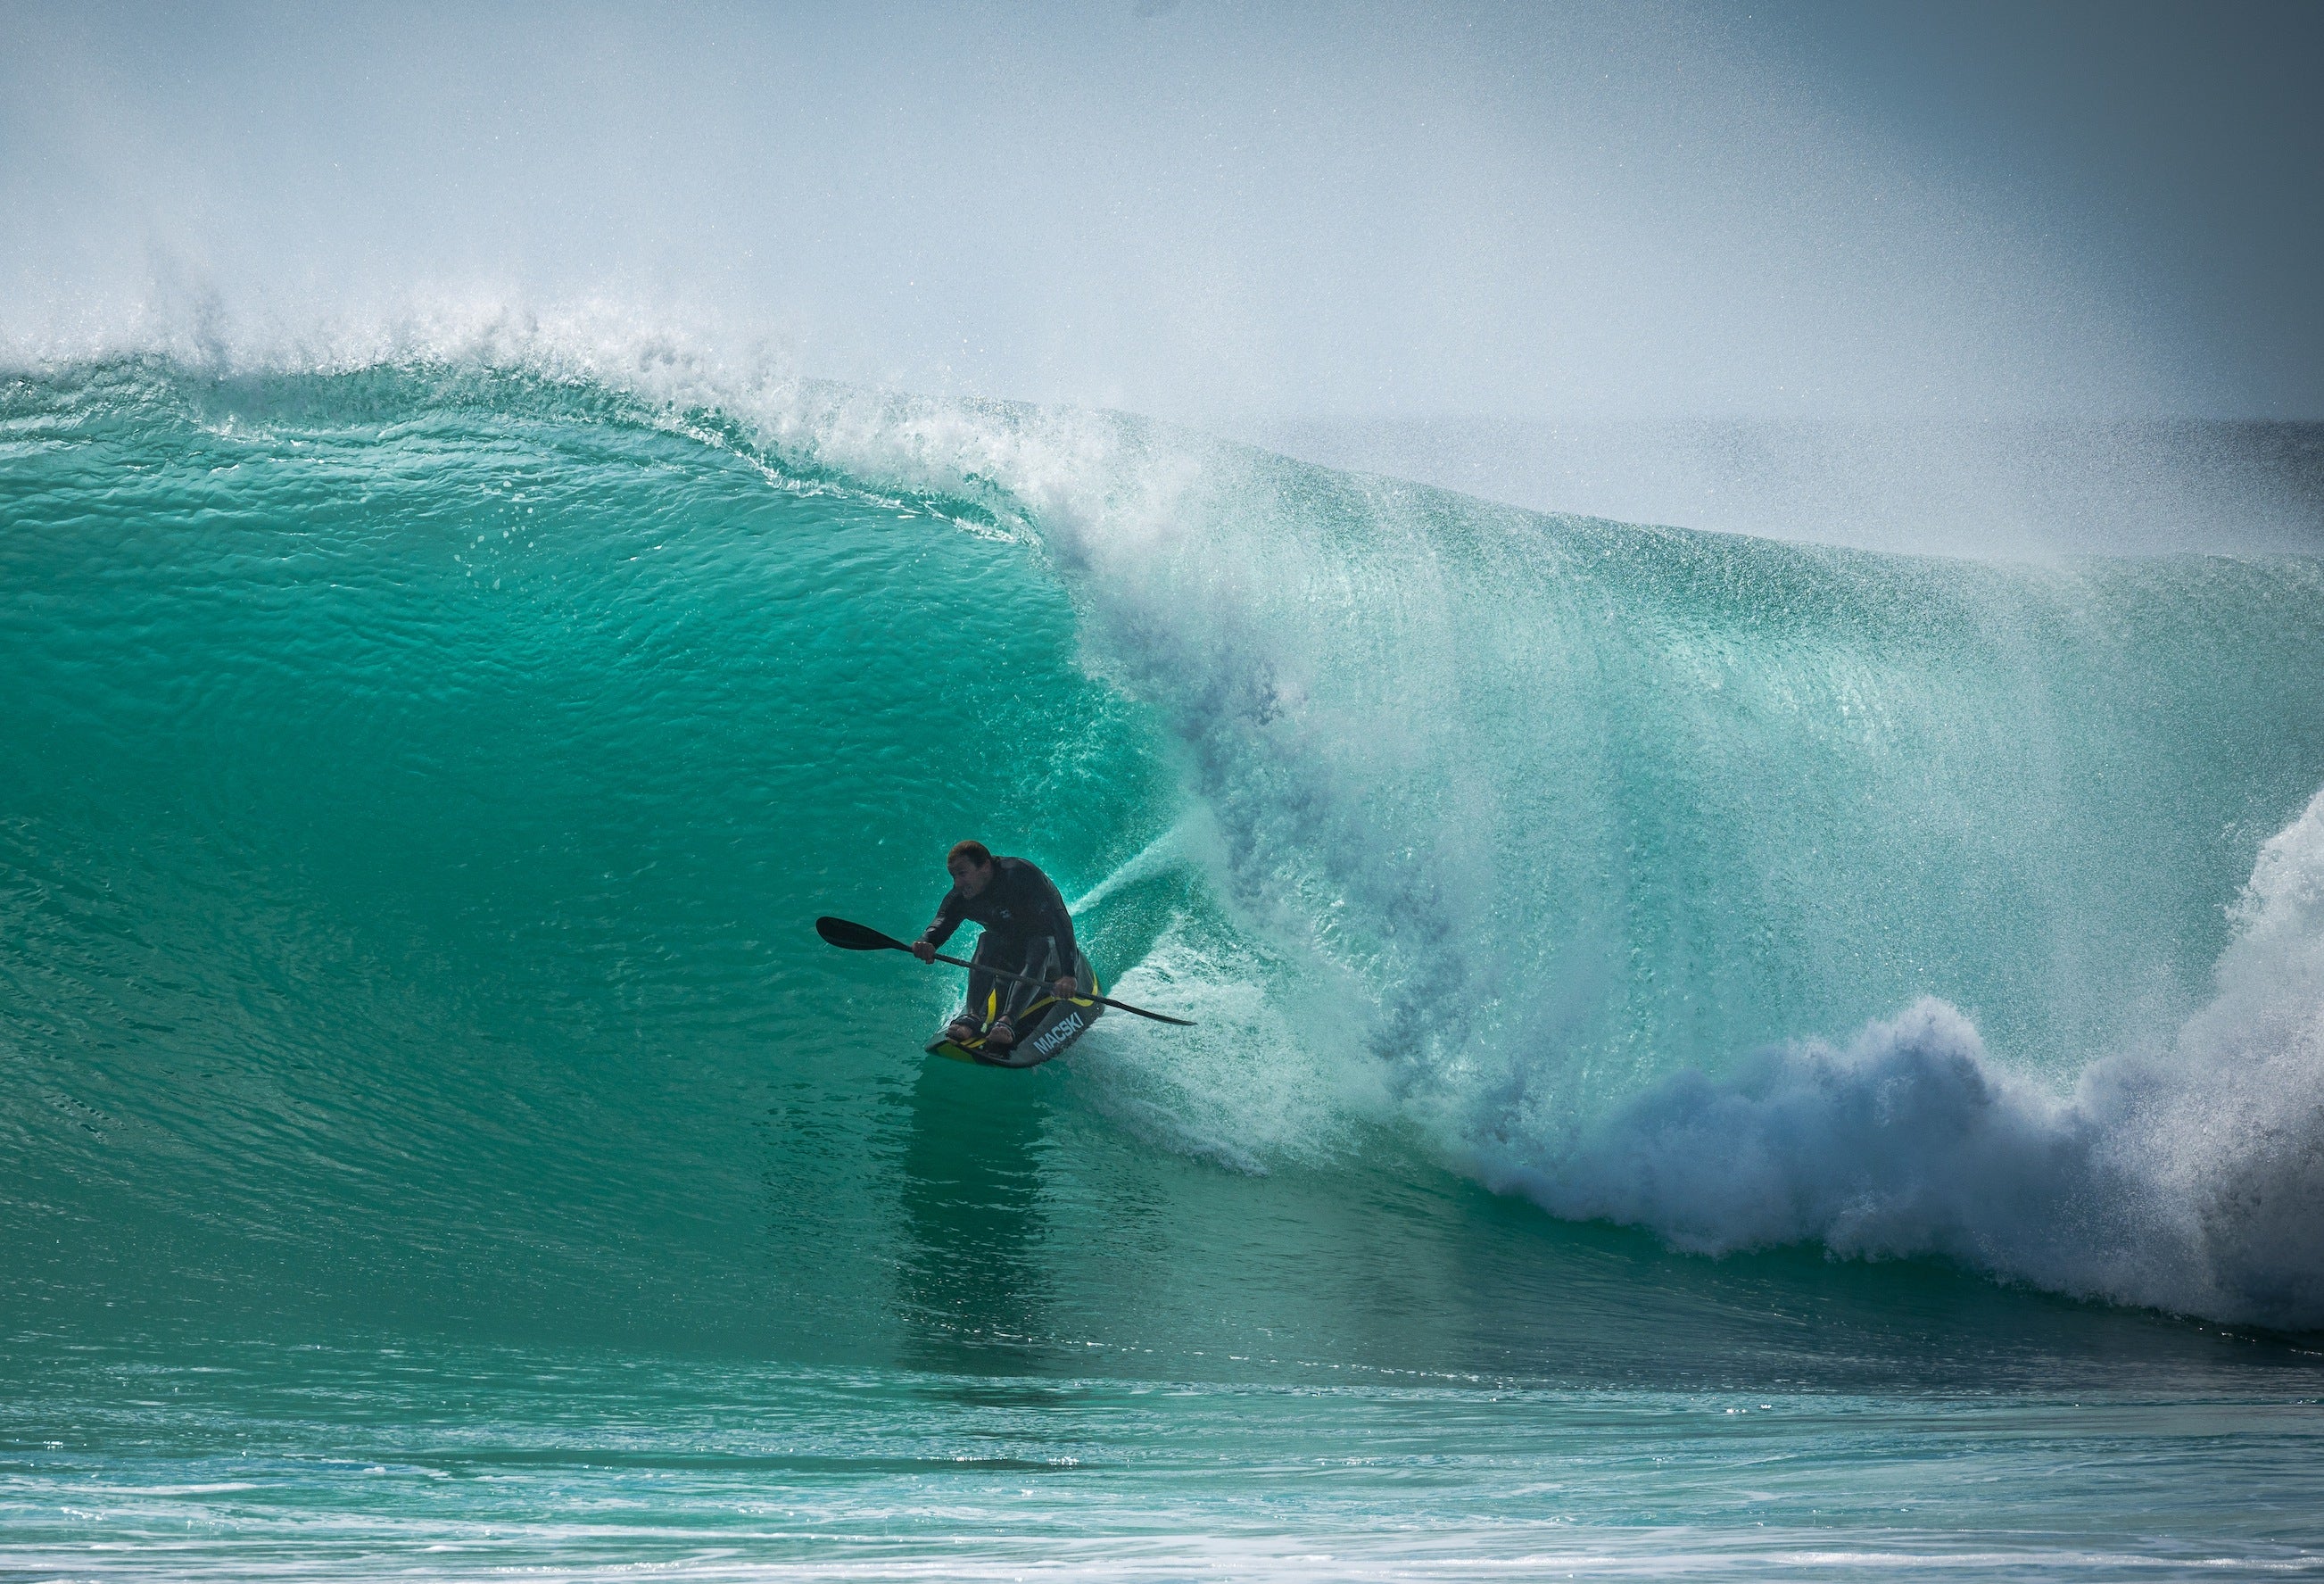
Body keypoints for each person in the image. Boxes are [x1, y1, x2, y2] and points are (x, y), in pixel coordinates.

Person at [914, 840, 1079, 1056]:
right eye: (953, 876)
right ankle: (972, 1016)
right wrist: (927, 942)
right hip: (1012, 963)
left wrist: (1068, 974)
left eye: (962, 873)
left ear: (985, 866)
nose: (957, 883)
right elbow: (942, 921)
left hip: (1050, 959)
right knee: (987, 940)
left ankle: (1007, 1021)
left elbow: (1060, 921)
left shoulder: (1021, 875)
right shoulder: (963, 895)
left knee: (1039, 944)